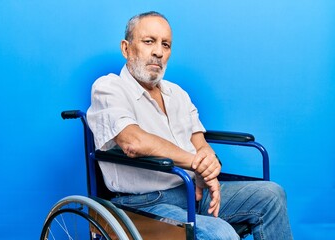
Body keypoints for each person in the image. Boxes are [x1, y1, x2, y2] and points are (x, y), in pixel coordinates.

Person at [87, 11, 293, 240]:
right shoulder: (109, 87)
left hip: (193, 192)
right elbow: (133, 141)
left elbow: (200, 143)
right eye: (149, 41)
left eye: (166, 45)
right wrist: (195, 163)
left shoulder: (178, 94)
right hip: (145, 202)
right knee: (221, 233)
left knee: (272, 195)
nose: (158, 51)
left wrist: (209, 167)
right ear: (126, 48)